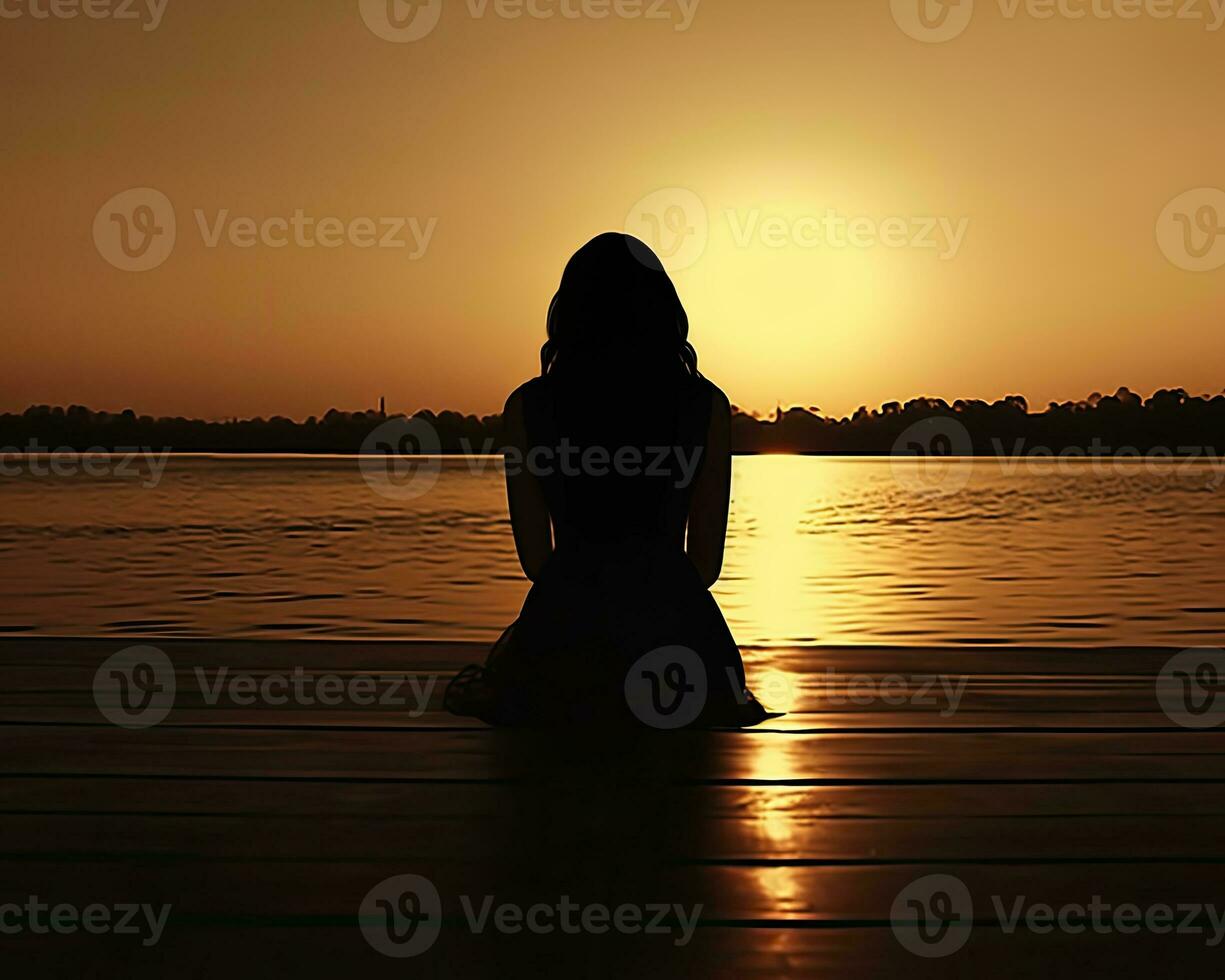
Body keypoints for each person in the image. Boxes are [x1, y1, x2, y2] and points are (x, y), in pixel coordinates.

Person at [445, 233, 778, 727]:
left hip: (564, 644)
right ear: (664, 310)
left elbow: (537, 562)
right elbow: (704, 566)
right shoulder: (705, 405)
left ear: (569, 312)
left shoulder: (527, 407)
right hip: (679, 645)